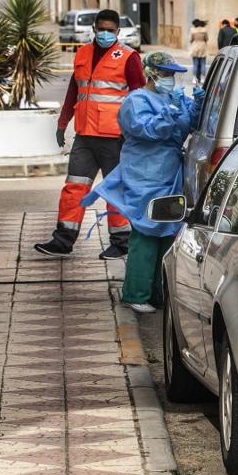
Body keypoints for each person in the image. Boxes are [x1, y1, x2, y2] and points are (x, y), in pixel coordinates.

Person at [82, 52, 202, 314]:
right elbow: (144, 130)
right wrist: (168, 115)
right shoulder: (135, 101)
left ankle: (158, 293)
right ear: (152, 74)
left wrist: (195, 107)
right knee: (147, 233)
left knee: (166, 234)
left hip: (169, 174)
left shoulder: (169, 97)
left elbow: (185, 127)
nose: (171, 79)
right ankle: (135, 293)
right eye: (166, 73)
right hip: (146, 174)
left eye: (172, 74)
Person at [35, 8, 144, 259]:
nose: (105, 33)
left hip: (116, 138)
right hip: (84, 136)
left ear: (118, 31)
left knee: (116, 191)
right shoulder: (82, 54)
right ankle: (62, 241)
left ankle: (121, 242)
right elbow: (75, 90)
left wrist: (134, 132)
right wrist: (63, 123)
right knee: (74, 186)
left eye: (110, 30)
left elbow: (138, 97)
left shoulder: (129, 57)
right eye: (101, 29)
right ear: (94, 29)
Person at [189, 19, 209, 85]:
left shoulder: (192, 30)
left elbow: (191, 39)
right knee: (203, 63)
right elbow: (206, 39)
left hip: (195, 46)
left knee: (195, 64)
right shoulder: (205, 30)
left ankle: (194, 79)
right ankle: (203, 78)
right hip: (203, 47)